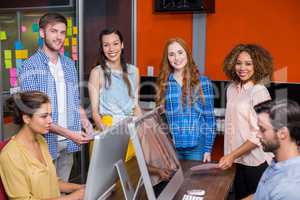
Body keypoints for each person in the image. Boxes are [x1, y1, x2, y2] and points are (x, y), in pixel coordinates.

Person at [18, 12, 91, 182]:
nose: (59, 37)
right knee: (45, 192)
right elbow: (36, 115)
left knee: (63, 188)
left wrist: (86, 124)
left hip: (68, 143)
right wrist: (70, 133)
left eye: (62, 32)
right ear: (42, 33)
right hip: (42, 143)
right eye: (53, 31)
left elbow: (74, 101)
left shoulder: (69, 64)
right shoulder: (29, 67)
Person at [0, 91, 85, 200]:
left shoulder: (41, 140)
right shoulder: (10, 156)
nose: (50, 121)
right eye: (44, 116)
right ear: (26, 119)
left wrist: (80, 188)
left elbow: (53, 181)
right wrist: (72, 197)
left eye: (50, 115)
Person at [218, 44, 274, 199]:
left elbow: (260, 133)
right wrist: (231, 155)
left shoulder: (259, 91)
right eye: (239, 63)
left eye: (248, 64)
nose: (242, 68)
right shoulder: (231, 89)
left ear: (258, 66)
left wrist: (232, 155)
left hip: (256, 162)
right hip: (238, 161)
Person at [156, 37, 216, 162]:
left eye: (180, 52)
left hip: (197, 148)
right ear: (167, 58)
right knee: (176, 182)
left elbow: (210, 119)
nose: (176, 58)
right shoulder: (165, 84)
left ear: (187, 54)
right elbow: (162, 121)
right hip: (173, 148)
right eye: (171, 54)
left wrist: (207, 149)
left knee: (195, 182)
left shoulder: (203, 82)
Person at [243, 100, 300, 200]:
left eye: (262, 129)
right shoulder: (278, 163)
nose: (258, 135)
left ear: (283, 133)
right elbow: (260, 196)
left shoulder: (290, 188)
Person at [88, 27, 142, 130]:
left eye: (115, 43)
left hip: (130, 128)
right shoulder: (97, 72)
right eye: (106, 45)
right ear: (102, 48)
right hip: (107, 127)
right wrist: (107, 132)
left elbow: (135, 106)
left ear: (122, 45)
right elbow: (95, 113)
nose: (111, 49)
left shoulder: (134, 71)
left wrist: (141, 129)